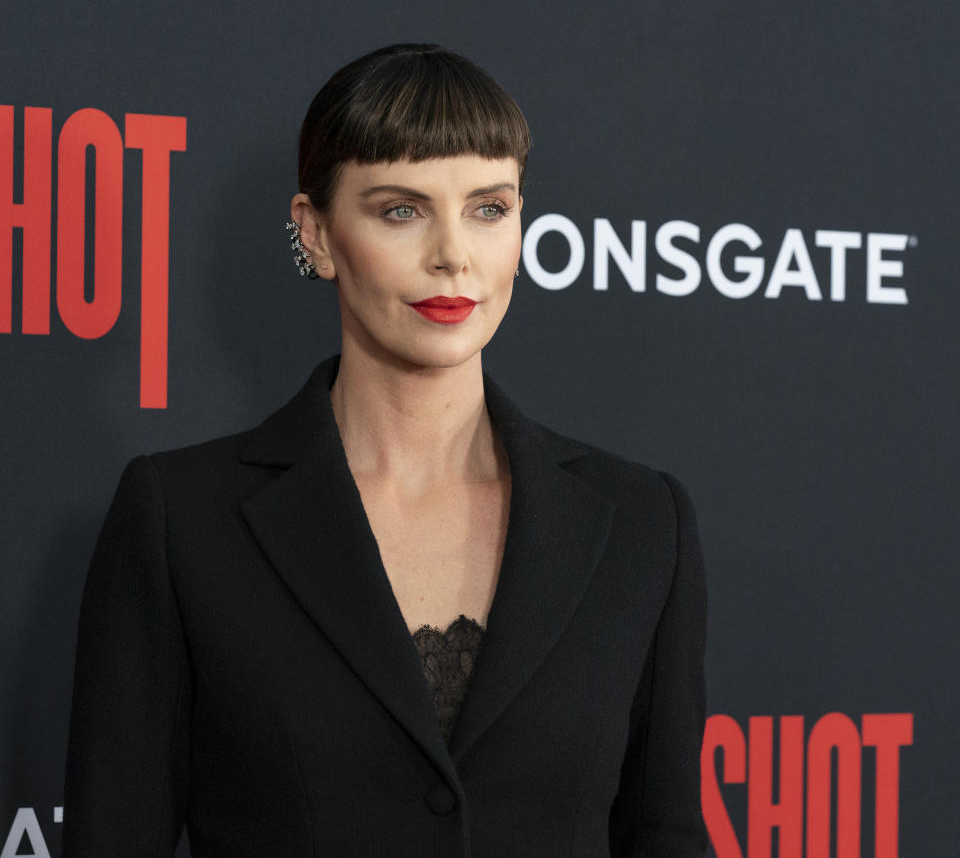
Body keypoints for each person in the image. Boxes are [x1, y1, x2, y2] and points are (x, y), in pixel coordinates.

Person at [63, 43, 707, 857]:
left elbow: (666, 837)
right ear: (318, 233)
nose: (453, 253)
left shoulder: (643, 524)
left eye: (489, 207)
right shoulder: (181, 521)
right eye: (402, 209)